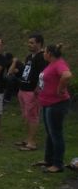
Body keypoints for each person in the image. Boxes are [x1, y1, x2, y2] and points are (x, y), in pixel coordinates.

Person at [33, 44, 72, 173]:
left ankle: (58, 164)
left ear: (49, 54)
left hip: (56, 104)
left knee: (56, 134)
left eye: (45, 52)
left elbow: (66, 75)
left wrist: (60, 88)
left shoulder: (59, 64)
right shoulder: (51, 64)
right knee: (50, 133)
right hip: (47, 103)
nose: (43, 54)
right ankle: (48, 160)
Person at [13, 34, 47, 152]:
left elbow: (43, 74)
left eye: (32, 43)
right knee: (26, 115)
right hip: (23, 88)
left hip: (32, 91)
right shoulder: (29, 57)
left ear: (39, 43)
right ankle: (28, 139)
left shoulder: (42, 57)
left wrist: (38, 88)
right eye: (29, 42)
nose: (29, 45)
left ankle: (32, 142)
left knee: (33, 116)